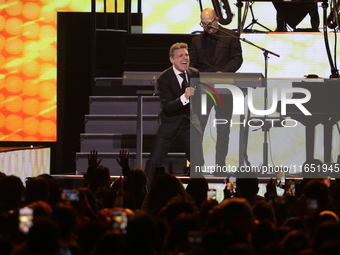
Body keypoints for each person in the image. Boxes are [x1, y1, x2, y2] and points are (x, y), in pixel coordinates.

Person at [145, 42, 204, 189]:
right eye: (180, 56)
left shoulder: (194, 73)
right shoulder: (163, 78)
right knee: (154, 161)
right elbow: (168, 107)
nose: (185, 58)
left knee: (198, 161)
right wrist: (184, 97)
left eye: (186, 55)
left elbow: (197, 100)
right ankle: (145, 193)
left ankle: (197, 194)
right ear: (172, 59)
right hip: (169, 124)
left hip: (188, 124)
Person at [190, 8, 243, 169]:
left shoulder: (231, 36)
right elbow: (191, 62)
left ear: (217, 19)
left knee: (223, 128)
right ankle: (198, 164)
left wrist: (224, 72)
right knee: (198, 128)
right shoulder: (196, 40)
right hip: (203, 90)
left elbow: (237, 58)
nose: (207, 27)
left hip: (224, 89)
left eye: (209, 23)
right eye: (203, 24)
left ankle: (220, 164)